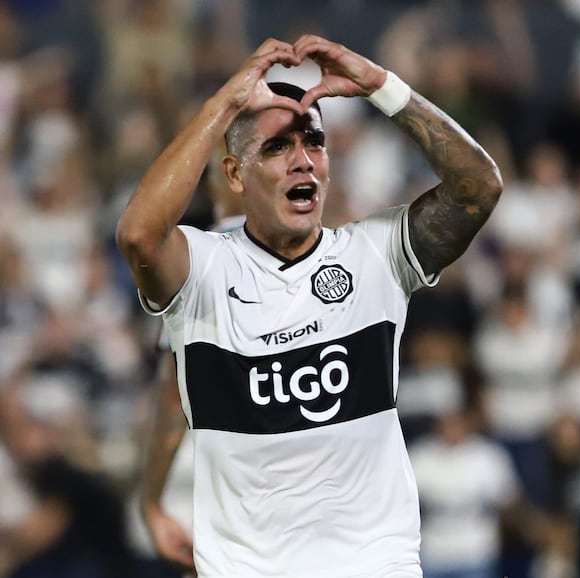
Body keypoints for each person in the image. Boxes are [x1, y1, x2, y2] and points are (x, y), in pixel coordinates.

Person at [115, 34, 502, 578]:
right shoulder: (203, 269)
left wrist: (380, 87)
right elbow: (138, 234)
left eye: (314, 142)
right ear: (234, 174)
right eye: (277, 147)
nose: (302, 160)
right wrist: (223, 104)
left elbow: (477, 188)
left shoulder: (375, 255)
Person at [138, 137, 245, 575]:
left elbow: (175, 398)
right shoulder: (331, 248)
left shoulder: (196, 259)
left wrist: (151, 501)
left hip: (235, 501)